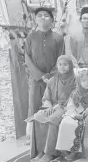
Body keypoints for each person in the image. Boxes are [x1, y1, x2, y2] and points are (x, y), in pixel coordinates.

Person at [25, 7, 65, 139]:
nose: (43, 17)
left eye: (46, 15)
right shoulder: (30, 37)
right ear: (35, 20)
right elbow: (27, 58)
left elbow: (61, 58)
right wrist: (40, 75)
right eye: (40, 15)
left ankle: (51, 135)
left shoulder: (58, 38)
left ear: (52, 20)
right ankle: (32, 136)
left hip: (53, 79)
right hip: (35, 80)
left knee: (52, 105)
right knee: (34, 105)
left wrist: (50, 76)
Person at [28, 55, 76, 162]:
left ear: (70, 65)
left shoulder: (75, 80)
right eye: (60, 64)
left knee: (52, 119)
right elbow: (46, 97)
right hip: (52, 107)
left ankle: (49, 153)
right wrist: (48, 106)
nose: (62, 67)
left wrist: (60, 106)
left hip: (67, 108)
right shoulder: (52, 81)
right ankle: (40, 151)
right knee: (37, 117)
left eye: (65, 64)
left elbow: (75, 97)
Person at [56, 71, 88, 161]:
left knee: (79, 126)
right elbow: (70, 107)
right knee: (65, 123)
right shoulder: (75, 93)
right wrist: (75, 115)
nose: (87, 83)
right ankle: (64, 150)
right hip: (74, 115)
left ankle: (74, 152)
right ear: (79, 82)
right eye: (83, 80)